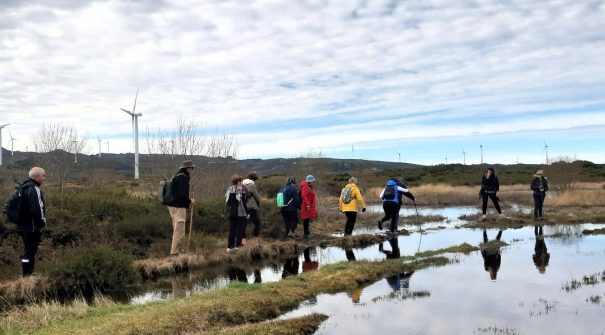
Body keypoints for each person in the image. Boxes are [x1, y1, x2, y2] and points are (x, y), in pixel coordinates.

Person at [15, 167, 47, 276]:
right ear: (37, 176)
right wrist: (43, 222)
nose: (44, 178)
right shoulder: (34, 189)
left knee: (28, 251)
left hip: (22, 227)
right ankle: (28, 276)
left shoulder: (22, 187)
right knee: (30, 252)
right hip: (32, 227)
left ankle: (27, 275)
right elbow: (37, 209)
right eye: (43, 176)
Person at [167, 160, 195, 256]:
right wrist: (190, 201)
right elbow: (182, 195)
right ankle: (174, 253)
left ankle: (177, 251)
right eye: (191, 168)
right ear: (187, 168)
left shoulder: (177, 176)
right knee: (179, 231)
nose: (192, 170)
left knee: (177, 229)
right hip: (178, 207)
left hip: (173, 206)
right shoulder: (182, 178)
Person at [225, 175, 248, 251]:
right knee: (240, 230)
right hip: (240, 213)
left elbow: (227, 202)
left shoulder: (229, 189)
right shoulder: (240, 189)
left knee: (232, 230)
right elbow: (244, 203)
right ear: (238, 181)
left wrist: (225, 212)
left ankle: (229, 247)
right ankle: (237, 246)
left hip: (231, 212)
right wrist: (247, 213)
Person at [242, 172, 262, 240]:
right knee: (257, 223)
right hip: (250, 206)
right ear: (253, 179)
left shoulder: (242, 184)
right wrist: (259, 202)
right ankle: (255, 237)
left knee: (244, 223)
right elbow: (257, 197)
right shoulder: (251, 185)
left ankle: (243, 238)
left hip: (242, 206)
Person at [300, 175, 318, 239]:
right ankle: (306, 234)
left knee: (307, 220)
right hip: (306, 206)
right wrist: (308, 205)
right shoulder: (305, 187)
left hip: (308, 206)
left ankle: (307, 233)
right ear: (310, 181)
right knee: (306, 220)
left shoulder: (309, 187)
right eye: (313, 181)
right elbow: (304, 196)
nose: (313, 182)